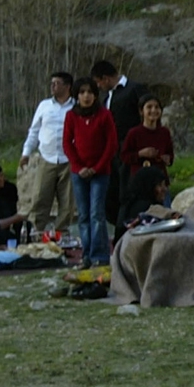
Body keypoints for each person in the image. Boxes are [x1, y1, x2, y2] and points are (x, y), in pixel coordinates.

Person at [63, 77, 116, 265]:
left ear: (95, 95)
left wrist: (96, 168)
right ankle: (86, 253)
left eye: (90, 92)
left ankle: (100, 254)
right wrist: (79, 167)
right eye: (82, 92)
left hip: (100, 172)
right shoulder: (71, 116)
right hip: (79, 172)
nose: (86, 96)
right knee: (83, 215)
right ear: (77, 95)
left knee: (96, 213)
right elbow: (67, 144)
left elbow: (111, 145)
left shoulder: (104, 115)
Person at [20, 71, 74, 234]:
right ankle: (35, 232)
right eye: (52, 83)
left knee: (67, 201)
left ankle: (60, 234)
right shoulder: (44, 106)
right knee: (40, 197)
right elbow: (34, 131)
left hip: (69, 159)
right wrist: (26, 152)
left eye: (57, 83)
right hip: (47, 157)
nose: (53, 86)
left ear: (67, 86)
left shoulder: (76, 107)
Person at [92, 60, 144, 225]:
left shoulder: (134, 89)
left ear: (105, 78)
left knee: (130, 192)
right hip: (112, 153)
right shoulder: (107, 97)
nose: (99, 87)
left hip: (131, 150)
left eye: (98, 82)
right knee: (113, 195)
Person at [119, 96, 175, 183]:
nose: (153, 110)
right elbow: (124, 156)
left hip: (160, 180)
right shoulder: (134, 133)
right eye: (149, 107)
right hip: (140, 181)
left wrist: (167, 159)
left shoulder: (165, 132)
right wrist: (140, 154)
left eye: (157, 107)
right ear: (141, 111)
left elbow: (170, 155)